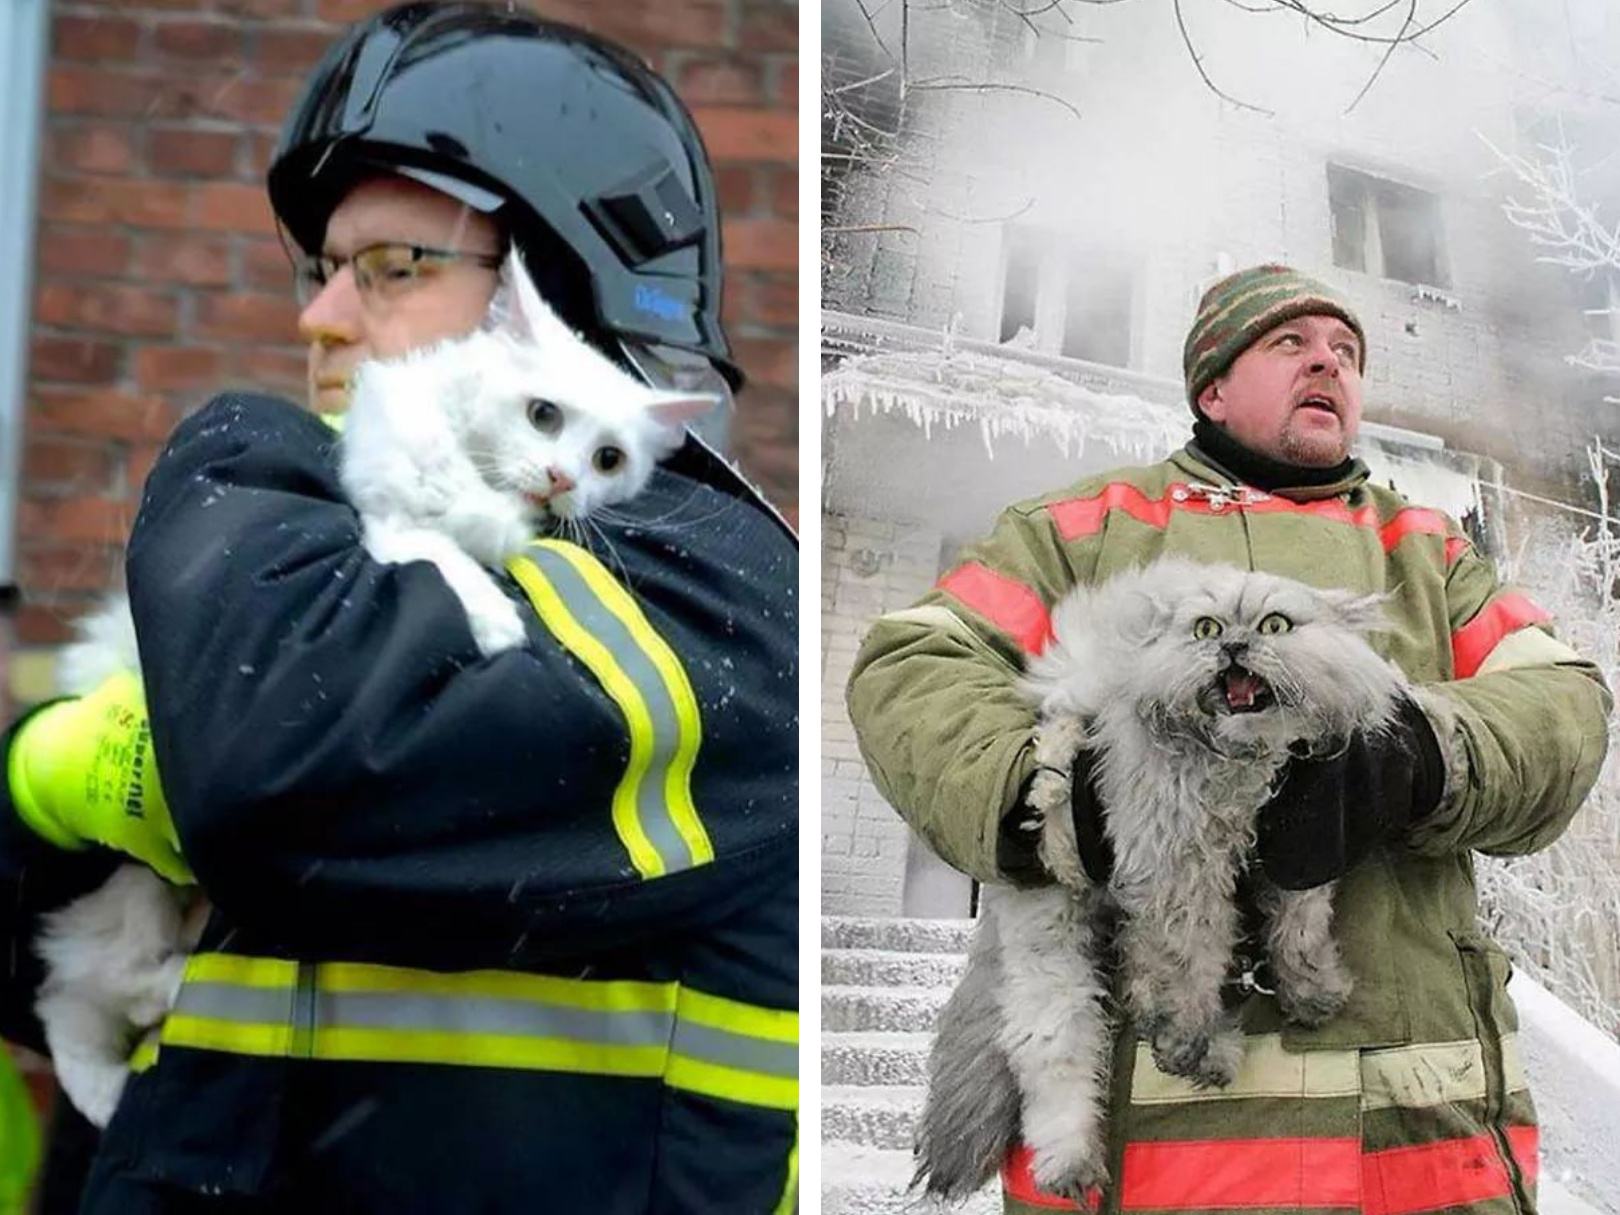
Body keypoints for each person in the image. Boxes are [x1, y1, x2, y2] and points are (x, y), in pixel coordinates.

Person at [0, 5, 798, 1212]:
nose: (318, 321)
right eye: (321, 272)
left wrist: (239, 451)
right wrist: (36, 782)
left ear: (560, 296)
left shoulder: (707, 583)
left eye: (391, 268)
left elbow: (284, 762)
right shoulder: (329, 570)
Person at [847, 263, 1611, 1214]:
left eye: (1346, 353)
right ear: (1211, 384)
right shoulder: (1081, 529)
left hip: (1413, 1150)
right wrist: (1055, 801)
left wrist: (1420, 755)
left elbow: (1568, 702)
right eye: (1291, 343)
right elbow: (908, 666)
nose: (1327, 362)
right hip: (1140, 1169)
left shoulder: (1430, 552)